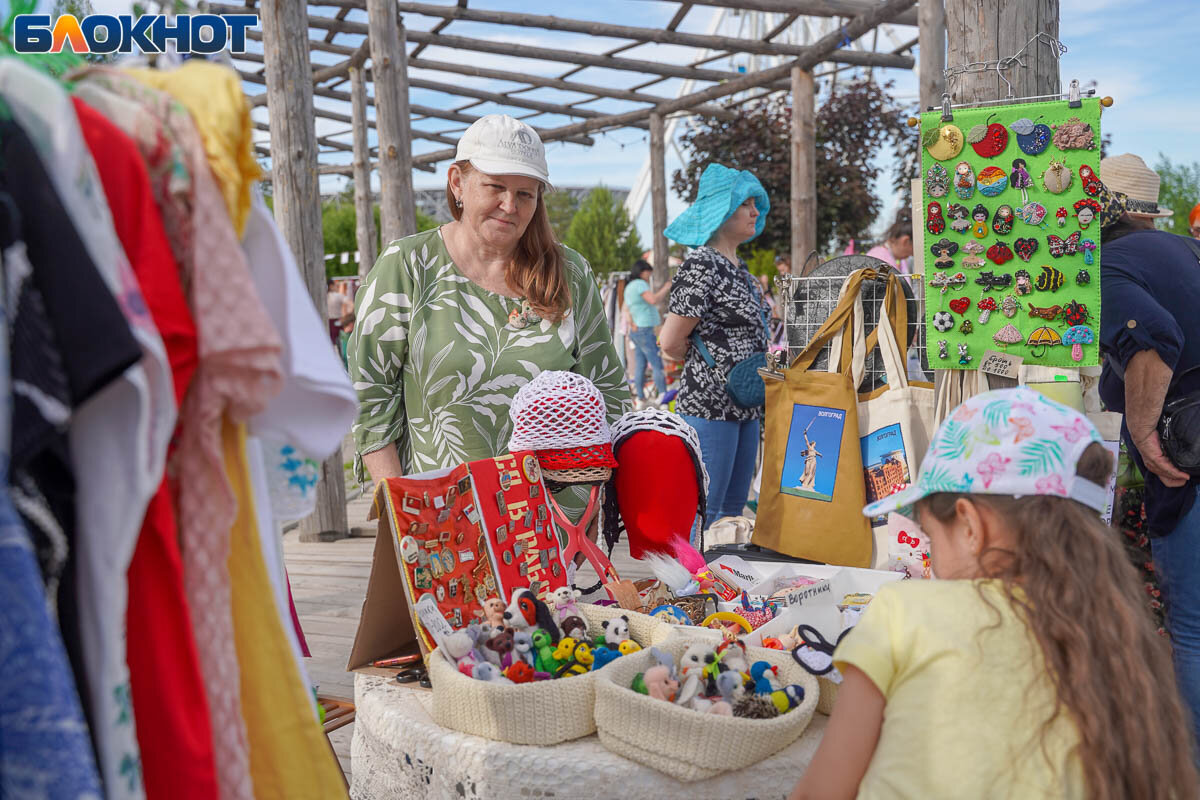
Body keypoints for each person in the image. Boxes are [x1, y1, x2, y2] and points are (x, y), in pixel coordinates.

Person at [792, 388, 1198, 800]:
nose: (931, 560)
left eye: (930, 537)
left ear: (970, 526)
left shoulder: (902, 612)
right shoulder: (1121, 639)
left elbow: (820, 793)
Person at [348, 114, 629, 520]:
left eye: (526, 194)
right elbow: (369, 397)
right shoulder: (409, 266)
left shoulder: (570, 272)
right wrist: (398, 507)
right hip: (442, 521)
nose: (509, 206)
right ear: (457, 183)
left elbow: (608, 390)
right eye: (495, 187)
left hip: (552, 525)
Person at [1096, 152, 1200, 743]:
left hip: (1189, 460)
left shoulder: (1109, 263)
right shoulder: (1188, 250)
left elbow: (1154, 337)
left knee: (1192, 628)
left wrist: (1142, 431)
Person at [659, 162, 770, 531]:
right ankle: (692, 587)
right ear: (722, 211)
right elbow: (670, 341)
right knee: (705, 510)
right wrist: (710, 367)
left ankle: (724, 585)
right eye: (745, 204)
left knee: (733, 514)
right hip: (709, 405)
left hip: (745, 406)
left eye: (756, 204)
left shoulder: (742, 270)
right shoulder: (702, 265)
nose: (755, 211)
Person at [623, 259, 670, 408]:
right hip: (645, 329)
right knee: (656, 363)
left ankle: (640, 399)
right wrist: (666, 287)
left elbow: (627, 309)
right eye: (648, 273)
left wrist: (631, 323)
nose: (649, 276)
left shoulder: (628, 287)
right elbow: (653, 300)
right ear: (642, 272)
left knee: (640, 366)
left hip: (636, 330)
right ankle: (663, 396)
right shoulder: (640, 285)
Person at [326, 277, 351, 345]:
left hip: (327, 322)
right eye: (336, 286)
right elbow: (350, 304)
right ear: (331, 286)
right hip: (338, 320)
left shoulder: (324, 296)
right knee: (341, 342)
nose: (337, 287)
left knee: (330, 342)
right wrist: (349, 316)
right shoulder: (338, 296)